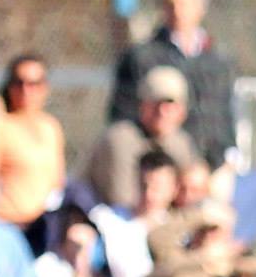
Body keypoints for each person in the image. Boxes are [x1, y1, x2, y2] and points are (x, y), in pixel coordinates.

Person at [108, 0, 237, 174]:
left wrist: (219, 160)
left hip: (211, 167)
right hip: (159, 166)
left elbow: (225, 116)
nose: (178, 10)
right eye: (170, 4)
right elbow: (123, 117)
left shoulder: (218, 61)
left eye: (185, 3)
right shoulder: (142, 57)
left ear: (200, 7)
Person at [84, 66, 200, 212]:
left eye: (170, 105)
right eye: (156, 104)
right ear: (142, 106)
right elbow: (122, 200)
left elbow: (191, 194)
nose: (162, 112)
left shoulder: (181, 142)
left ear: (182, 111)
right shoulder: (121, 138)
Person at [0, 54, 66, 248]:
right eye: (19, 83)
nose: (26, 90)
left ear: (45, 88)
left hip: (44, 228)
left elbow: (57, 181)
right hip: (7, 226)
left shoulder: (50, 127)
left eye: (34, 83)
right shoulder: (1, 125)